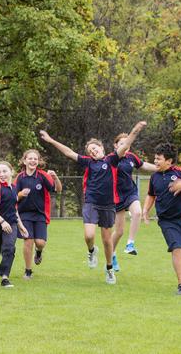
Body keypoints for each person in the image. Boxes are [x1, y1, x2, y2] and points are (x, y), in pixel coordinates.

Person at [40, 121, 147, 285]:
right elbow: (68, 153)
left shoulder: (112, 160)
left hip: (108, 205)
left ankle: (110, 269)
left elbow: (125, 145)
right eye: (90, 151)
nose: (93, 151)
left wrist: (135, 130)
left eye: (95, 148)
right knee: (89, 235)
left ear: (102, 148)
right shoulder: (89, 162)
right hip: (91, 203)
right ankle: (91, 251)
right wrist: (50, 140)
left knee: (106, 240)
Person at [142, 142, 181, 295]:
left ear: (169, 161)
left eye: (158, 159)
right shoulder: (154, 177)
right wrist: (145, 210)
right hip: (166, 221)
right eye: (155, 158)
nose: (155, 162)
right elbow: (151, 195)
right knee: (176, 248)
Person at [109, 133, 158, 271]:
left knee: (137, 213)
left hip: (130, 193)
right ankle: (111, 255)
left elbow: (144, 166)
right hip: (117, 197)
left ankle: (130, 244)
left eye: (127, 144)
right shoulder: (111, 159)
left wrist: (159, 168)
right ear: (115, 145)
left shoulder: (131, 157)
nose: (125, 147)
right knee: (118, 232)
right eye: (121, 144)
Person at [14, 149, 62, 279]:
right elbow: (13, 197)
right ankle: (28, 271)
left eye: (35, 159)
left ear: (38, 161)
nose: (33, 161)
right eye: (30, 158)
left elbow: (57, 190)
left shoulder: (42, 176)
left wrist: (55, 177)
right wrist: (20, 194)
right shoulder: (20, 177)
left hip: (40, 214)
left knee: (40, 242)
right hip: (24, 215)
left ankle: (39, 252)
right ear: (25, 161)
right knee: (28, 241)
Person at [0, 161, 29, 288]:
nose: (2, 174)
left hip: (11, 223)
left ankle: (5, 277)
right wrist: (2, 222)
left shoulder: (14, 188)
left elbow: (14, 209)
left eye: (4, 171)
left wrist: (20, 226)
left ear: (11, 172)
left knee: (9, 248)